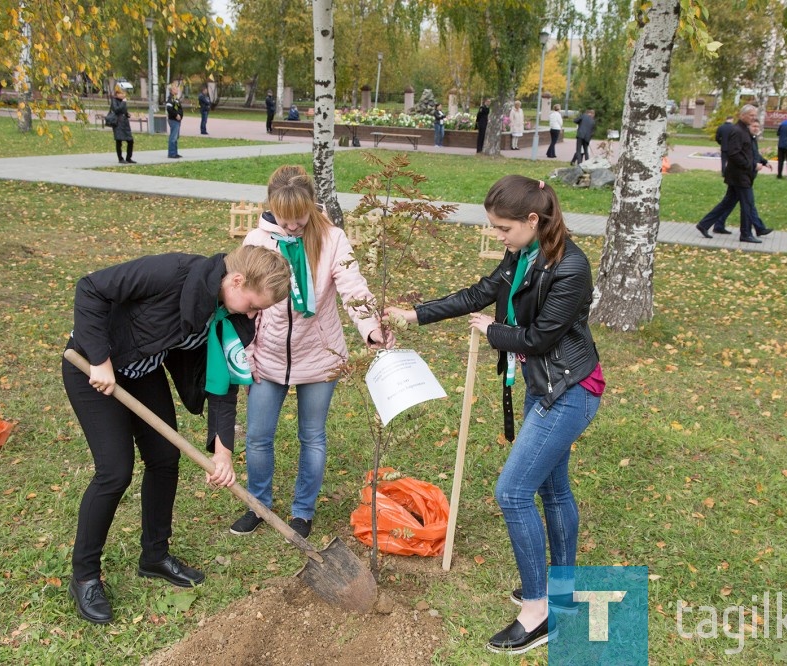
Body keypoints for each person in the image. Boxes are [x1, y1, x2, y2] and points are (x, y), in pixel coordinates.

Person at [386, 175, 604, 656]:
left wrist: (492, 331)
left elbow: (537, 339)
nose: (499, 237)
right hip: (544, 385)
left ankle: (538, 609)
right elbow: (481, 291)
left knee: (512, 491)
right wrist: (415, 314)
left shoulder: (571, 267)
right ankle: (562, 593)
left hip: (569, 389)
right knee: (552, 487)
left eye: (504, 229)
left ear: (533, 220)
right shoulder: (525, 254)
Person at [62, 245, 292, 625]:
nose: (253, 315)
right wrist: (100, 361)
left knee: (165, 460)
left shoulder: (226, 317)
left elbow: (222, 385)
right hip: (92, 367)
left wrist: (223, 453)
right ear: (236, 280)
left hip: (141, 371)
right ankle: (85, 576)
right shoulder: (172, 272)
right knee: (114, 471)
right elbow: (91, 288)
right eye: (253, 304)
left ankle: (154, 556)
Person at [231, 166, 391, 539]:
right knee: (257, 436)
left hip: (319, 354)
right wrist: (248, 354)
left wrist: (371, 329)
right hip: (268, 356)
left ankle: (302, 512)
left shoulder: (332, 239)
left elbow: (353, 288)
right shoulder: (257, 239)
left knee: (313, 436)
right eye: (284, 218)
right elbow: (245, 305)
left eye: (299, 217)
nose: (291, 226)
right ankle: (258, 504)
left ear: (311, 205)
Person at [695, 104, 764, 243]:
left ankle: (704, 224)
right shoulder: (738, 131)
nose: (753, 118)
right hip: (739, 175)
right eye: (751, 115)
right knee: (748, 204)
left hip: (741, 175)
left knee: (728, 202)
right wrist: (751, 165)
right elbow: (734, 154)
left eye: (754, 115)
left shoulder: (744, 131)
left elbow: (747, 152)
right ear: (742, 115)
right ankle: (746, 233)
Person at [110, 86, 135, 164]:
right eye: (121, 93)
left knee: (130, 141)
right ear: (117, 94)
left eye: (124, 93)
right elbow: (117, 110)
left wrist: (127, 114)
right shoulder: (114, 101)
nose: (123, 95)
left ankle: (128, 158)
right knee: (119, 141)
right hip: (118, 123)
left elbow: (123, 111)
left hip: (125, 123)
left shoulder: (123, 101)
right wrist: (123, 102)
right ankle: (120, 158)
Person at [165, 82, 183, 159]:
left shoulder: (176, 98)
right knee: (173, 137)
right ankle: (171, 153)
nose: (177, 89)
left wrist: (180, 115)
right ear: (171, 90)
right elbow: (169, 109)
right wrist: (176, 115)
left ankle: (175, 152)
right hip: (173, 120)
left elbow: (179, 108)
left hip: (178, 120)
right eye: (175, 88)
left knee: (176, 137)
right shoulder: (170, 99)